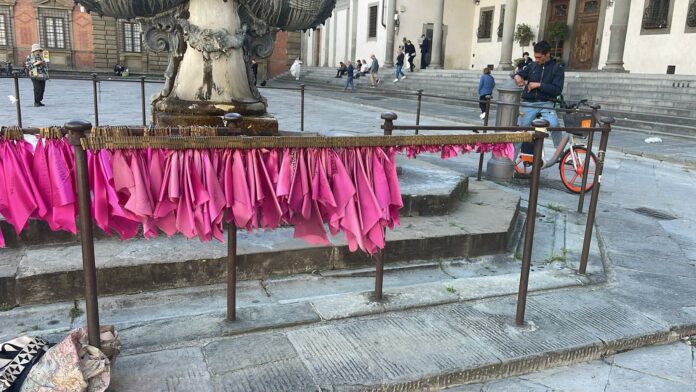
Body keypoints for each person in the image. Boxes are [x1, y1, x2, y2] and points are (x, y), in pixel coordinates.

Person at [514, 40, 565, 156]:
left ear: (548, 54)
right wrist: (517, 76)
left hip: (546, 103)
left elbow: (557, 89)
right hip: (528, 103)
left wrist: (538, 85)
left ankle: (560, 155)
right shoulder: (532, 66)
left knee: (555, 125)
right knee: (521, 131)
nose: (537, 60)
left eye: (539, 57)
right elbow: (519, 73)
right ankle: (510, 161)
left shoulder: (557, 68)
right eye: (535, 57)